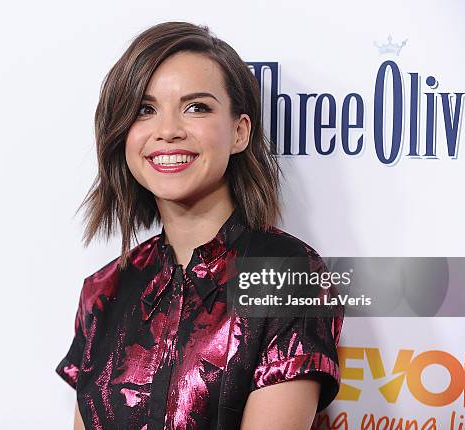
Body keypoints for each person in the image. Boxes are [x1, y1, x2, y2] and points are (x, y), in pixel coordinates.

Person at [55, 21, 344, 430]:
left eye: (197, 107)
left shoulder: (287, 274)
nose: (168, 130)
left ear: (240, 132)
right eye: (144, 109)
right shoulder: (104, 291)